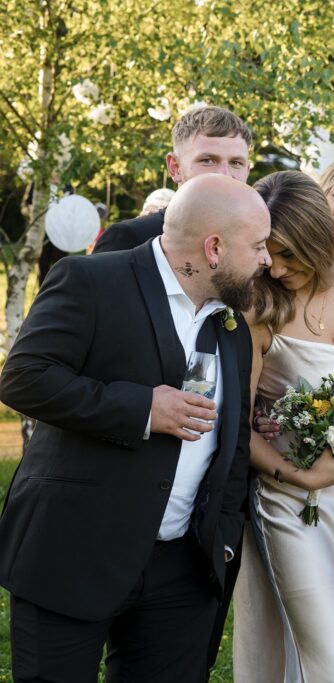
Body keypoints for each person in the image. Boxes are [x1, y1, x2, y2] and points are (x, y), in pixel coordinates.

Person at [0, 173, 269, 681]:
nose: (266, 259)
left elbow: (231, 444)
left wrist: (223, 537)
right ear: (214, 248)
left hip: (181, 571)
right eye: (257, 245)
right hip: (73, 552)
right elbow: (23, 378)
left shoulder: (230, 326)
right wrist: (143, 410)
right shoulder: (91, 280)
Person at [231, 170, 334, 682]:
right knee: (329, 662)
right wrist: (301, 478)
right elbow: (237, 426)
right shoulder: (257, 306)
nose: (276, 265)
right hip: (290, 501)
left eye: (290, 253)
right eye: (268, 251)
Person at [93, 105, 252, 253]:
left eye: (236, 163)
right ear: (175, 167)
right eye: (207, 161)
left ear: (247, 169)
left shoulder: (257, 242)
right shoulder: (128, 240)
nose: (225, 174)